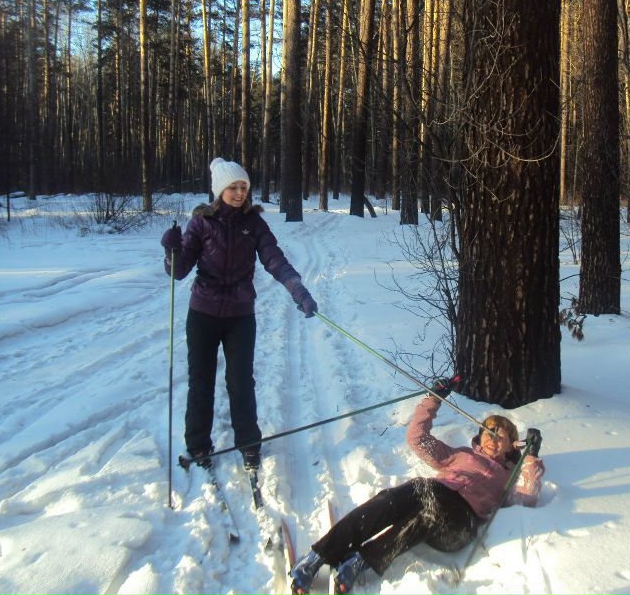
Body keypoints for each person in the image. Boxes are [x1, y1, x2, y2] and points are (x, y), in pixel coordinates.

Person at [288, 378, 545, 595]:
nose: (493, 438)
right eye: (489, 431)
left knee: (432, 512)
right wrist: (434, 399)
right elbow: (417, 439)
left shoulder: (508, 475)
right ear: (480, 435)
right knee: (390, 501)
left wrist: (531, 454)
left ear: (513, 443)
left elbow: (527, 497)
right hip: (434, 493)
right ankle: (318, 556)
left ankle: (362, 561)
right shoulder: (462, 455)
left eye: (501, 435)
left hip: (460, 523)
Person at [161, 157, 318, 471]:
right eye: (232, 187)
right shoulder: (200, 223)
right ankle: (198, 446)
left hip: (240, 315)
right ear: (220, 190)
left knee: (241, 381)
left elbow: (274, 259)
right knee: (200, 381)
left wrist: (297, 289)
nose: (239, 193)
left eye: (243, 187)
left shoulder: (254, 224)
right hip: (202, 313)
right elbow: (179, 272)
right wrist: (171, 251)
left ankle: (249, 445)